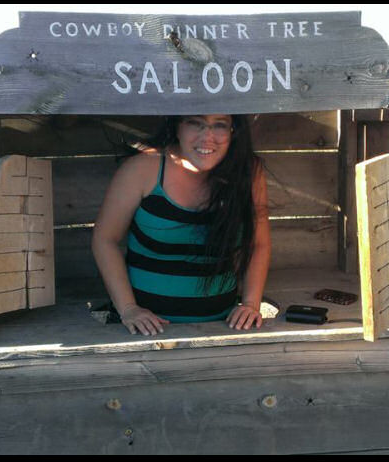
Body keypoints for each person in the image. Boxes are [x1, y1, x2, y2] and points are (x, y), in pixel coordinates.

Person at [92, 114, 271, 336]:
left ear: (233, 131)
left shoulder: (248, 171)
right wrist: (129, 309)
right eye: (195, 123)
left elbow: (258, 244)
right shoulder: (143, 168)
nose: (207, 136)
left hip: (223, 327)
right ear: (177, 127)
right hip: (144, 331)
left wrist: (251, 304)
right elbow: (105, 239)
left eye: (220, 125)